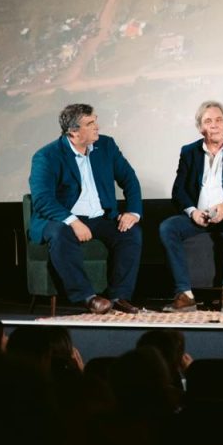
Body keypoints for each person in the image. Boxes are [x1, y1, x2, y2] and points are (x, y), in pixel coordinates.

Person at [28, 103, 143, 314]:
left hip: (100, 216)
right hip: (60, 218)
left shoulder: (106, 145)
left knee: (130, 233)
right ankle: (88, 297)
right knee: (60, 233)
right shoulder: (47, 156)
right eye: (90, 124)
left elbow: (129, 179)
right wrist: (73, 221)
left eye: (95, 121)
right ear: (73, 132)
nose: (97, 126)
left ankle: (119, 296)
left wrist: (133, 212)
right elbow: (42, 200)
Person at [158, 101, 223, 312]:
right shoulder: (189, 152)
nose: (214, 125)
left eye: (219, 120)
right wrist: (193, 212)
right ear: (200, 128)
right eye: (208, 121)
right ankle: (185, 295)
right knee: (168, 227)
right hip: (201, 216)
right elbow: (178, 191)